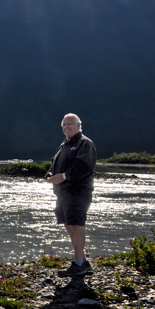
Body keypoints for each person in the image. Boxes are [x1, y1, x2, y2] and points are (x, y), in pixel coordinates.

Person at [45, 113, 96, 276]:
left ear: (79, 126)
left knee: (77, 225)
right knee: (68, 224)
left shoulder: (84, 143)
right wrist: (50, 174)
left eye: (70, 124)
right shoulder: (64, 145)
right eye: (64, 125)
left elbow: (84, 167)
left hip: (78, 191)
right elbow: (55, 164)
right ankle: (82, 260)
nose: (67, 127)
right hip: (62, 193)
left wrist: (64, 177)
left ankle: (78, 264)